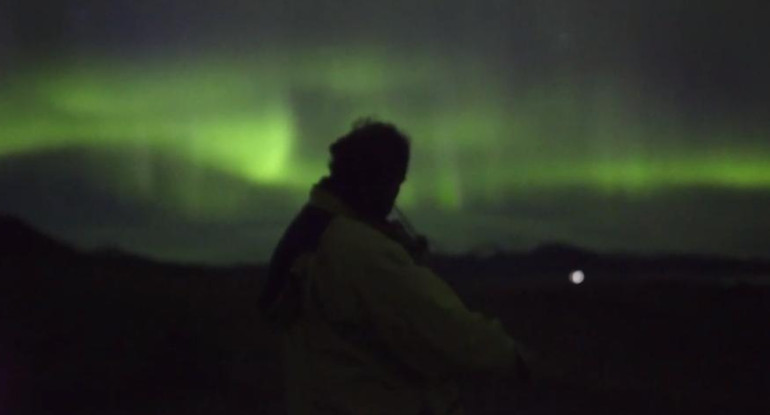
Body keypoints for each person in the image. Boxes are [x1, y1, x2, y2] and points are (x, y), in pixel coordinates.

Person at [258, 119, 530, 415]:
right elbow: (441, 327)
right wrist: (512, 356)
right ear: (376, 178)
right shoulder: (361, 250)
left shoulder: (312, 232)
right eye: (396, 181)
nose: (395, 196)